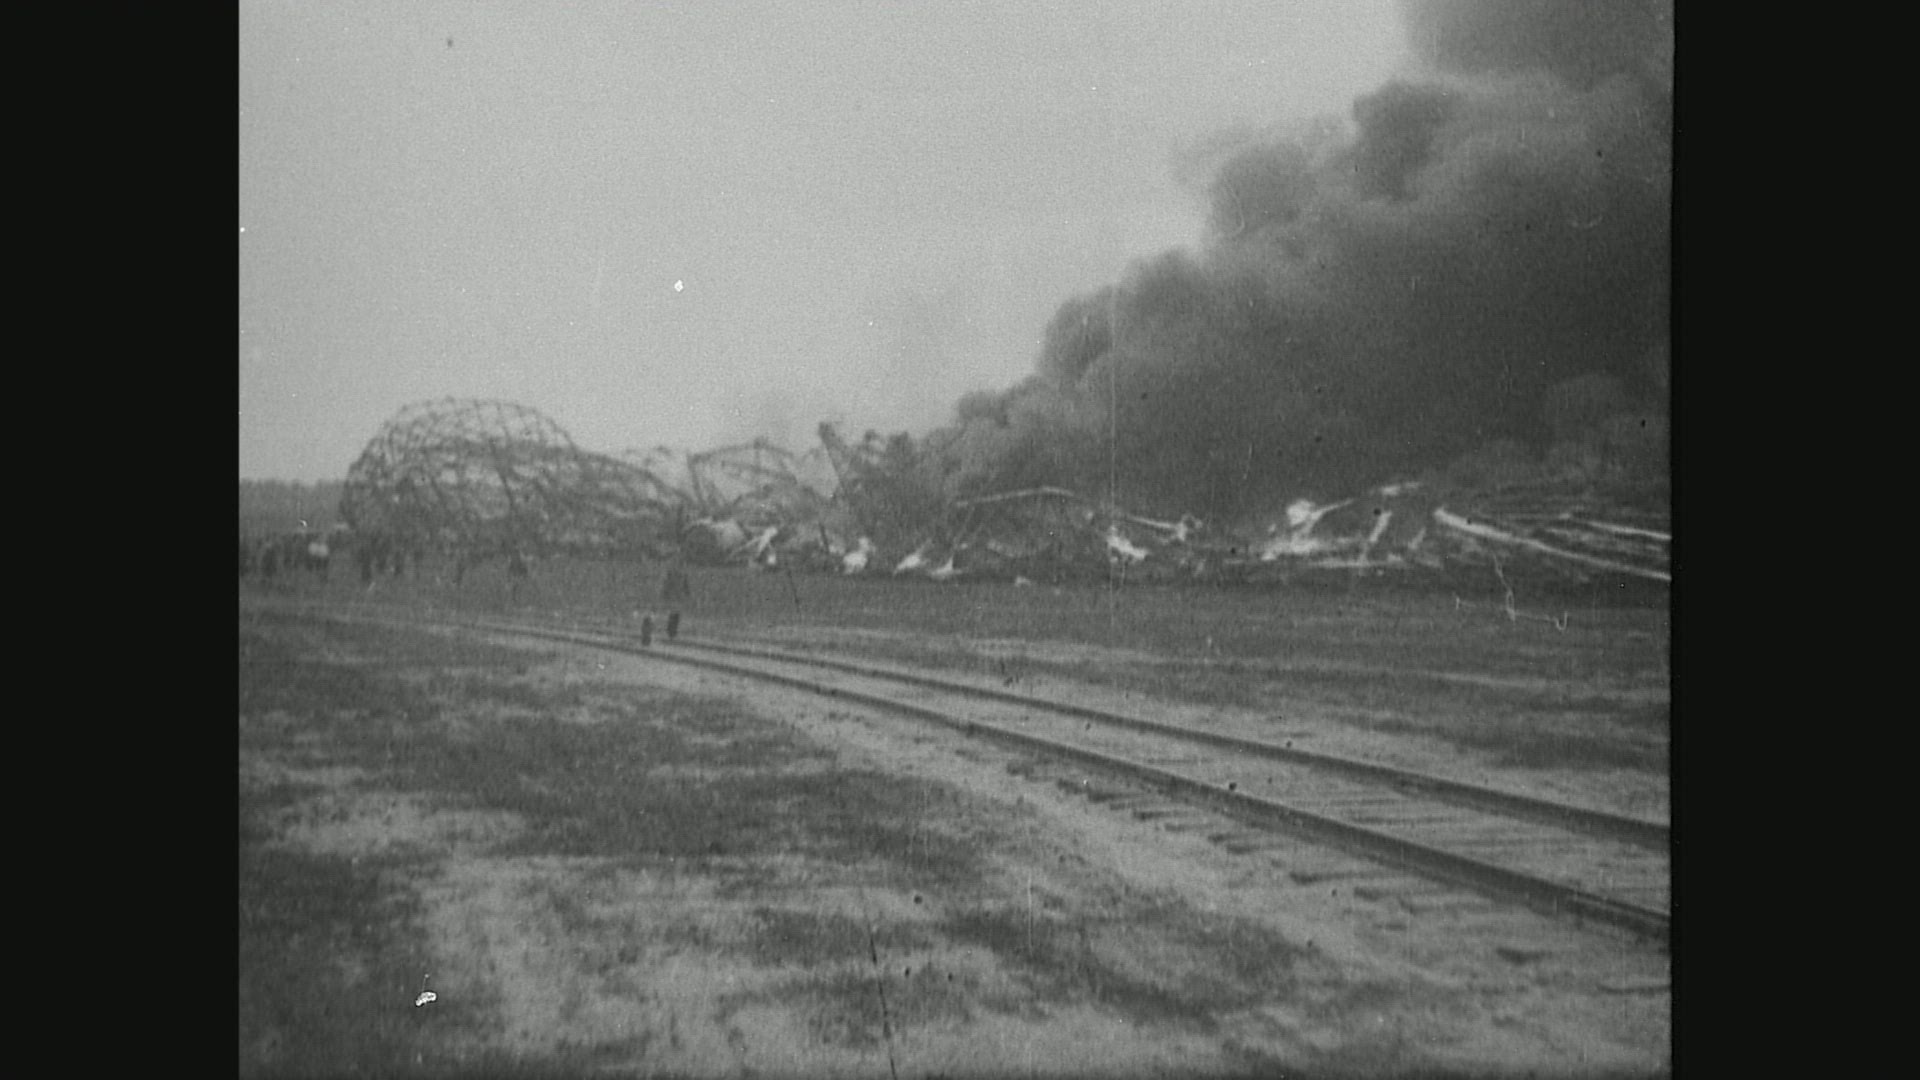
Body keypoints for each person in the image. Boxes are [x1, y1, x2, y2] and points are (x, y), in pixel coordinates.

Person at [661, 559, 690, 640]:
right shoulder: (672, 573)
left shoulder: (682, 575)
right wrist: (665, 593)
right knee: (673, 613)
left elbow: (686, 585)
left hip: (678, 596)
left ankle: (672, 632)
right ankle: (671, 632)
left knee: (676, 614)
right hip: (674, 596)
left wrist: (687, 593)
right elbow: (667, 583)